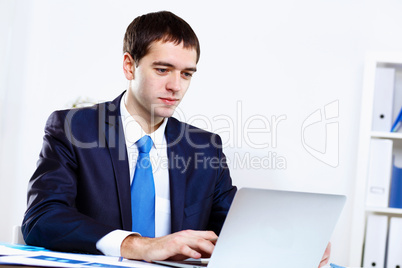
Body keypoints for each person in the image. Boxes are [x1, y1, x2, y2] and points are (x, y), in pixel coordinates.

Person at [22, 11, 330, 267]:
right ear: (130, 65)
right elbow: (42, 218)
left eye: (186, 74)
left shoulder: (205, 147)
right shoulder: (75, 128)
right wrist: (139, 245)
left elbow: (234, 228)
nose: (175, 86)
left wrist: (293, 248)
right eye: (162, 69)